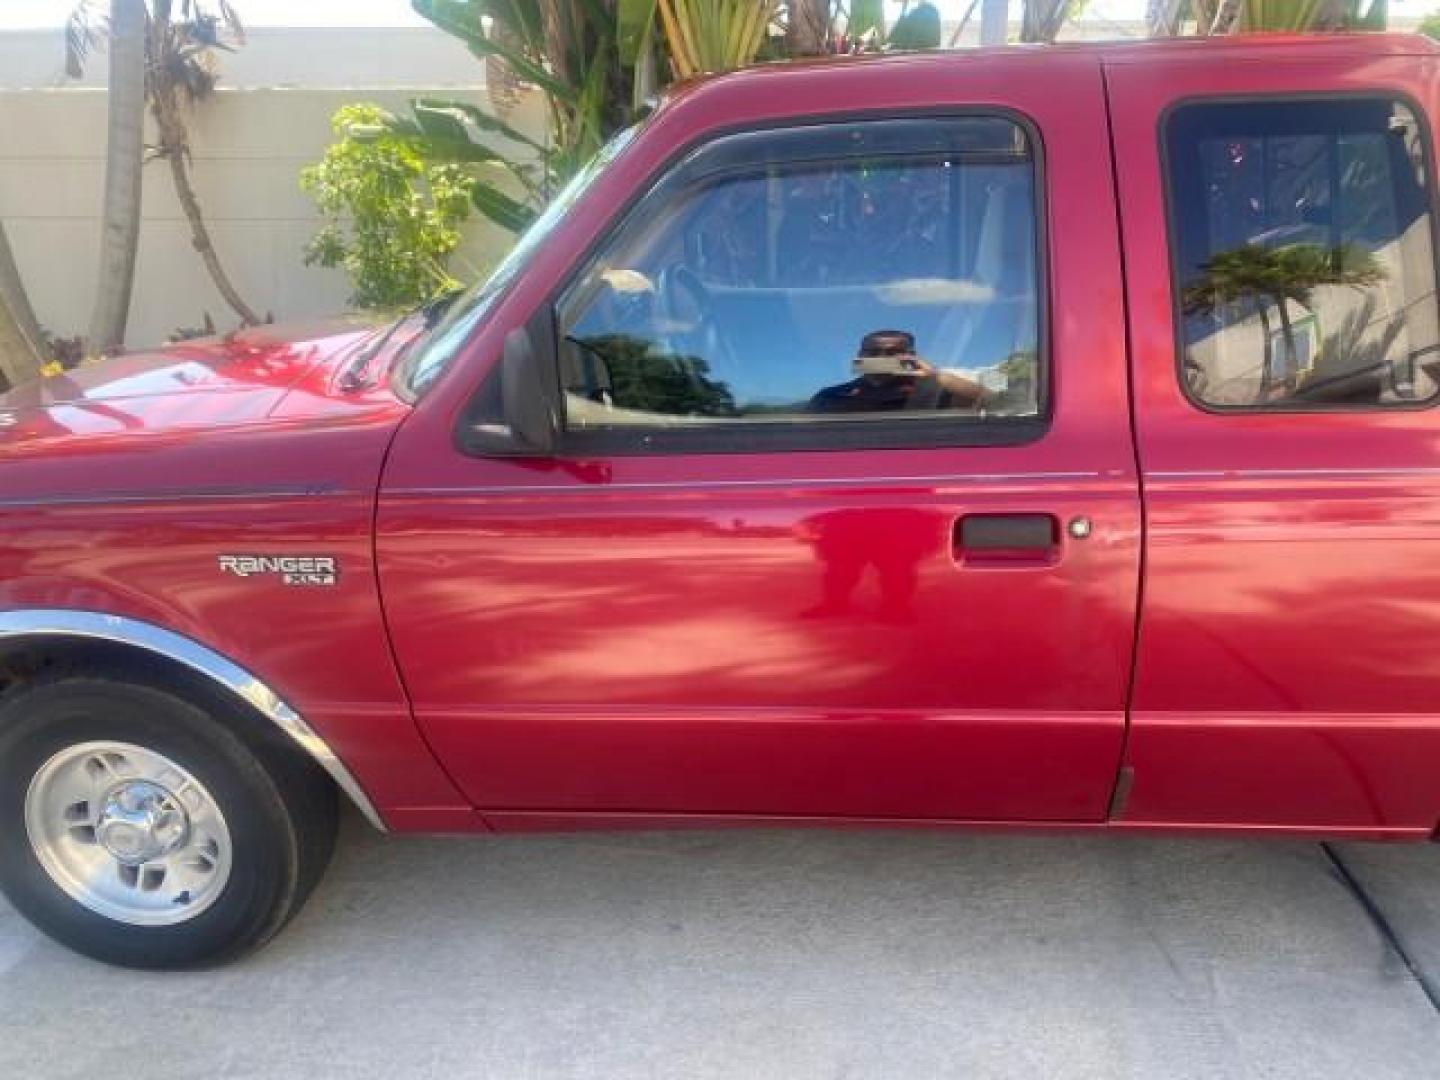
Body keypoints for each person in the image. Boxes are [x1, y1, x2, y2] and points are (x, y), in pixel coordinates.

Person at [808, 329, 987, 414]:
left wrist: (935, 375)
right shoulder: (832, 396)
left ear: (912, 356)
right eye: (873, 352)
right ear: (860, 355)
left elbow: (996, 403)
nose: (882, 358)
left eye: (893, 353)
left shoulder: (936, 392)